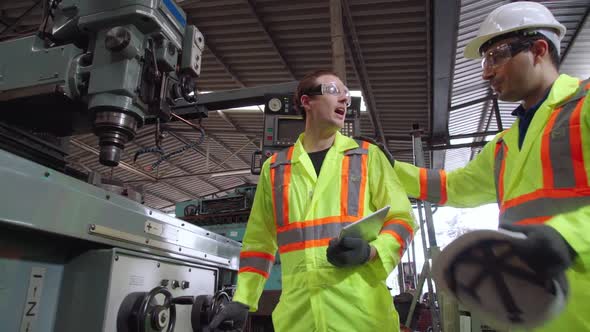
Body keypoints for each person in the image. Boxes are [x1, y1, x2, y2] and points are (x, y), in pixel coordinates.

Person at [393, 2, 590, 331]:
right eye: (486, 60)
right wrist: (385, 167)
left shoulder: (583, 107)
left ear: (539, 49)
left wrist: (567, 236)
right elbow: (451, 187)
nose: (486, 72)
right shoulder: (503, 145)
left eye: (496, 56)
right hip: (526, 309)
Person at [209, 69, 417, 331]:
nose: (344, 99)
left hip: (362, 317)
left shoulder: (367, 157)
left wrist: (374, 251)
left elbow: (402, 219)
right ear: (306, 101)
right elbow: (259, 241)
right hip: (299, 318)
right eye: (333, 91)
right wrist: (244, 298)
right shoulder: (275, 168)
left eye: (346, 94)